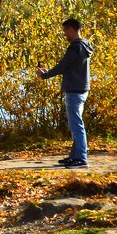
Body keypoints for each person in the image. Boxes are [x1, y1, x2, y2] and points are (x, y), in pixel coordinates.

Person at [37, 18, 94, 168]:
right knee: (76, 124)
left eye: (65, 31)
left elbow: (62, 66)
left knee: (76, 125)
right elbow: (69, 66)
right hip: (82, 88)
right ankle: (74, 156)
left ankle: (81, 159)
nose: (64, 34)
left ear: (71, 29)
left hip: (74, 90)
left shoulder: (75, 47)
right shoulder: (85, 45)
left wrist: (45, 75)